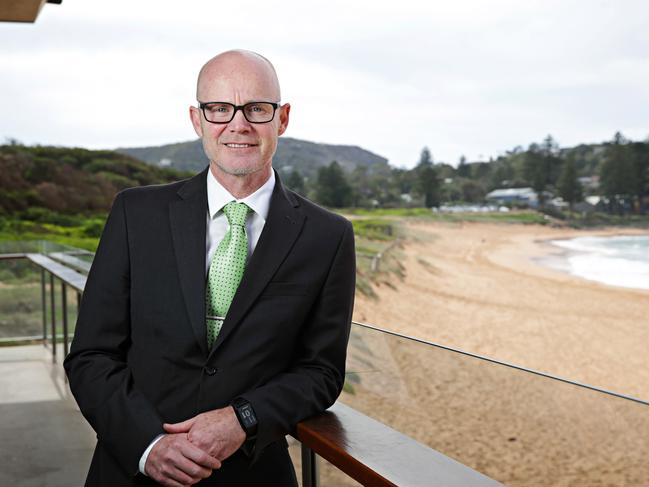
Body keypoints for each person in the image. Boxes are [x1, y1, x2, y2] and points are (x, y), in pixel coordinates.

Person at [64, 49, 356, 487]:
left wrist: (244, 418)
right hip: (131, 472)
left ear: (283, 118)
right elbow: (91, 355)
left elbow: (322, 371)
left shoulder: (327, 236)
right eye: (220, 108)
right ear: (197, 119)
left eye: (257, 108)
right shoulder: (135, 213)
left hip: (253, 476)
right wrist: (148, 445)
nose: (238, 124)